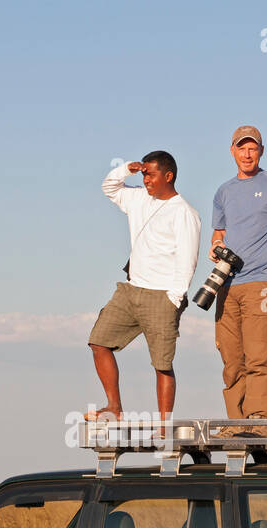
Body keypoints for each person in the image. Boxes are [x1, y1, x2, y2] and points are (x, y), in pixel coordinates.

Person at [87, 151, 201, 423]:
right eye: (144, 174)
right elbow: (109, 187)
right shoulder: (138, 198)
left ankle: (163, 426)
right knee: (98, 341)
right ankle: (114, 407)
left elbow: (188, 258)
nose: (146, 179)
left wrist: (175, 298)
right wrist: (127, 169)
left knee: (162, 364)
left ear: (168, 176)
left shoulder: (184, 212)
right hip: (130, 290)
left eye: (150, 174)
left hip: (163, 296)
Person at [209, 126, 267, 435]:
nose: (247, 154)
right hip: (226, 284)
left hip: (263, 281)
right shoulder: (223, 192)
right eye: (241, 148)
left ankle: (258, 420)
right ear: (232, 151)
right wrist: (215, 246)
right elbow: (218, 232)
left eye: (252, 148)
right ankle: (237, 423)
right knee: (231, 357)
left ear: (261, 150)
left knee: (258, 355)